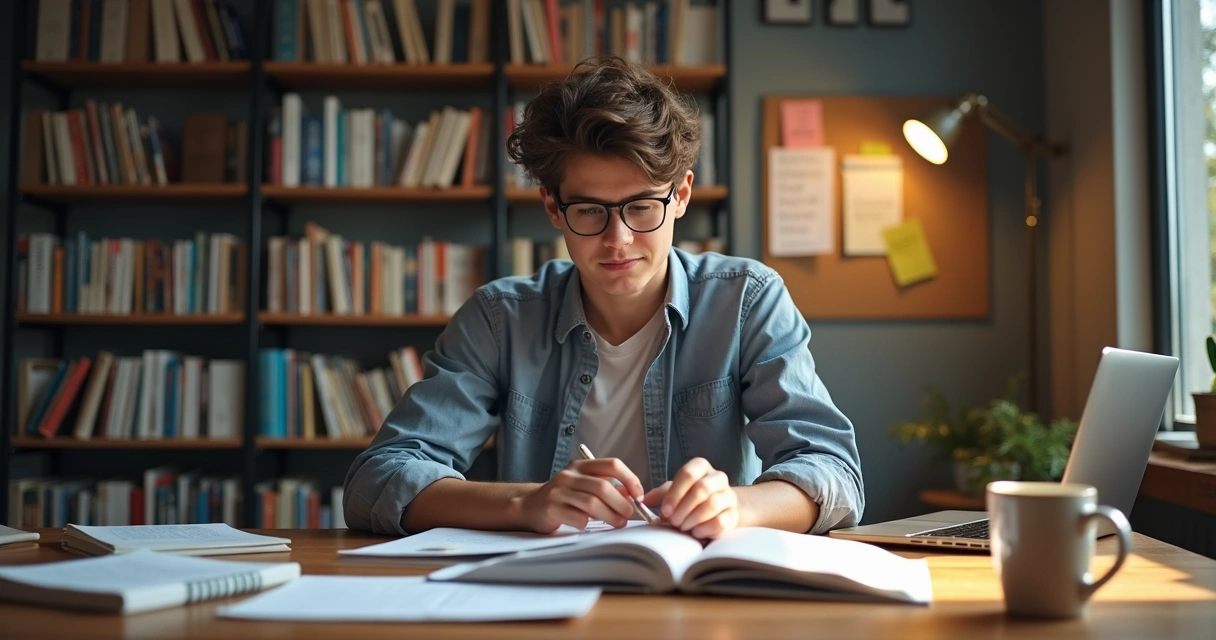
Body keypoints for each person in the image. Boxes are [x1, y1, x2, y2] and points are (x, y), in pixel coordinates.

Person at [343, 56, 864, 540]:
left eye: (642, 206)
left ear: (680, 195)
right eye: (590, 210)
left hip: (699, 584)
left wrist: (735, 506)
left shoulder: (746, 301)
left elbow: (834, 472)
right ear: (553, 207)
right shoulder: (500, 319)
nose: (618, 239)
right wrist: (525, 503)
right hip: (544, 586)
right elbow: (377, 479)